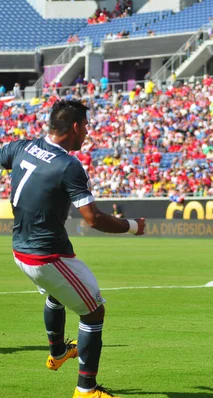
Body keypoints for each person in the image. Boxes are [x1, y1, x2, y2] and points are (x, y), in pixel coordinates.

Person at [2, 100, 145, 398]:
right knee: (94, 312)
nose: (88, 133)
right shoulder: (68, 165)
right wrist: (132, 226)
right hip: (46, 256)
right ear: (76, 127)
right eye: (87, 126)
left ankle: (57, 352)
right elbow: (92, 219)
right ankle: (86, 390)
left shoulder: (19, 147)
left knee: (59, 292)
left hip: (20, 250)